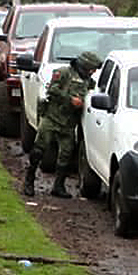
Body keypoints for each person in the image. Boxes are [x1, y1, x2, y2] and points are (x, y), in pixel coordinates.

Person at [25, 51, 100, 198]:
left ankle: (58, 186)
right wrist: (70, 99)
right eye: (91, 68)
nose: (93, 72)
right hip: (52, 118)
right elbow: (52, 89)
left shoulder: (88, 81)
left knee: (66, 154)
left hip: (69, 124)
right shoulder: (63, 73)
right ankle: (29, 180)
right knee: (39, 149)